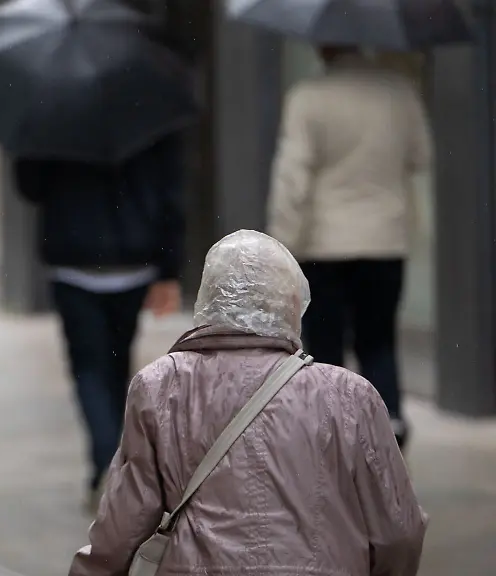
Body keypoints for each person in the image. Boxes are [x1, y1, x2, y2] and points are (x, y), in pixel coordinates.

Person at [69, 230, 426, 576]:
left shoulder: (162, 386)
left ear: (206, 301)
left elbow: (122, 523)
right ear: (291, 305)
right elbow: (398, 531)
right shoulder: (349, 395)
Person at [267, 45, 433, 449]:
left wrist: (281, 242)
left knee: (325, 344)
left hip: (325, 244)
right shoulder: (400, 92)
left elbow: (293, 177)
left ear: (323, 47)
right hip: (384, 240)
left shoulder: (308, 98)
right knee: (378, 339)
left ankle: (332, 431)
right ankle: (389, 422)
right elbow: (421, 155)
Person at [13, 132, 186, 512]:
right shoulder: (148, 117)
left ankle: (108, 463)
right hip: (133, 261)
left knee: (89, 368)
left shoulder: (53, 114)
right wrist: (169, 268)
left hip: (74, 261)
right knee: (115, 362)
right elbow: (171, 194)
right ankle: (114, 465)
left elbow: (30, 186)